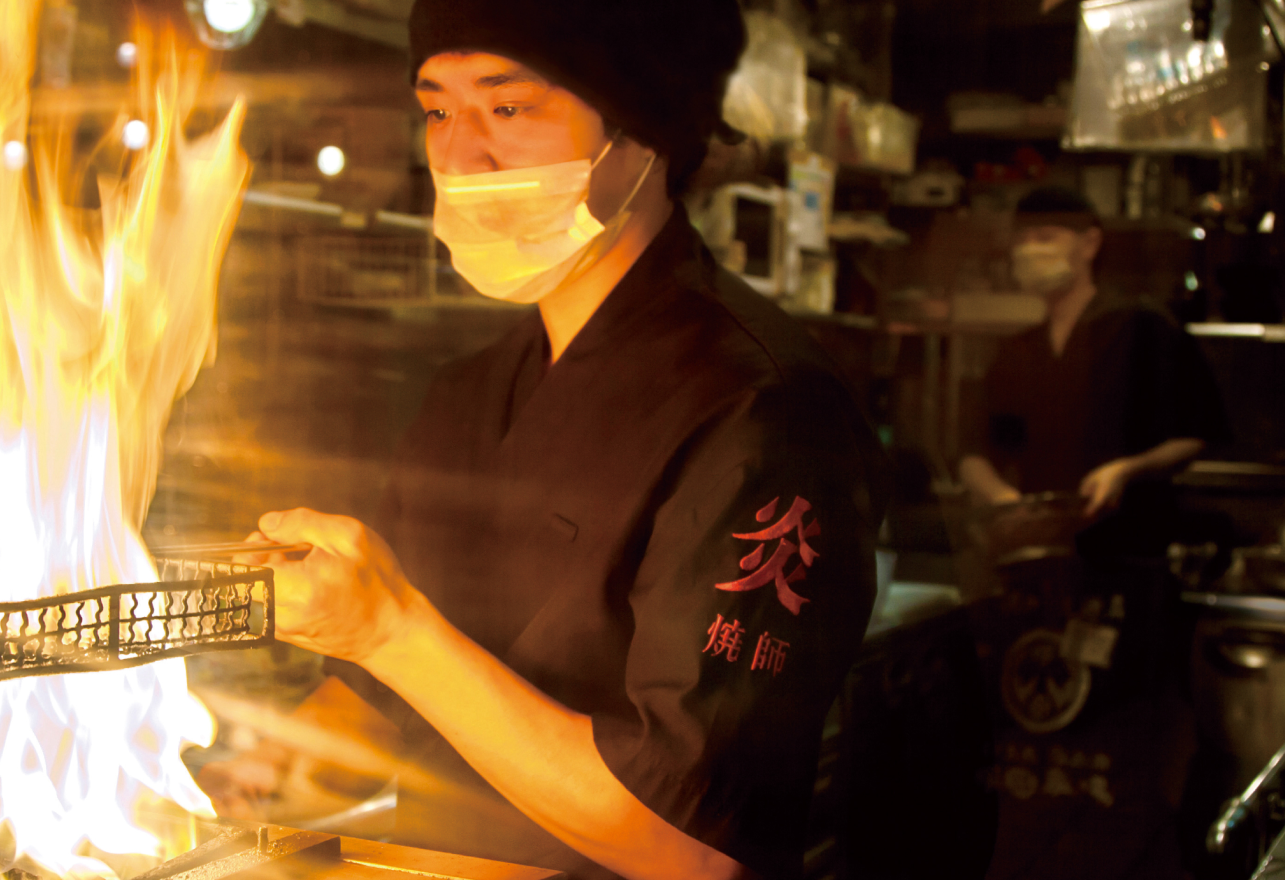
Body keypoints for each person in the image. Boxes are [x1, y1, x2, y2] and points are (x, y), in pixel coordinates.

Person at [198, 2, 889, 878]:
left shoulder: (767, 410)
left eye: (509, 108)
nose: (459, 154)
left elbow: (693, 843)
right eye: (438, 110)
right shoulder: (470, 392)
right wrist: (257, 771)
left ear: (641, 122)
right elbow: (386, 700)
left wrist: (387, 629)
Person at [959, 186, 1230, 556]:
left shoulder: (1140, 326)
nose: (1028, 250)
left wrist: (1126, 469)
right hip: (1043, 549)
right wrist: (1005, 501)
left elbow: (1194, 435)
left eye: (1045, 237)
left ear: (1089, 244)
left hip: (1132, 545)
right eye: (1021, 239)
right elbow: (976, 450)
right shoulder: (1017, 350)